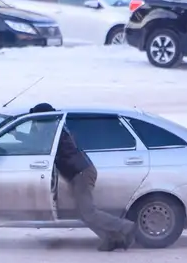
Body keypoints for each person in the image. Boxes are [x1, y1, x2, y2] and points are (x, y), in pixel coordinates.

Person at [29, 103, 136, 251]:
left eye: (36, 121)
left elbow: (37, 145)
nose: (35, 124)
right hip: (79, 173)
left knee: (88, 212)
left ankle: (125, 226)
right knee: (82, 213)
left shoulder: (53, 133)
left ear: (44, 120)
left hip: (81, 173)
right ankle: (112, 239)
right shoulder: (56, 128)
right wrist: (17, 135)